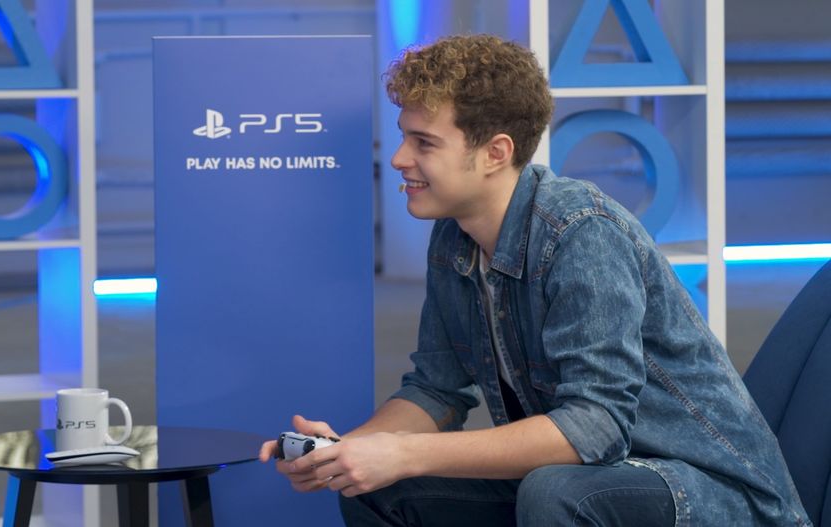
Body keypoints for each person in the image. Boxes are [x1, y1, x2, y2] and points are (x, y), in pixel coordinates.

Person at [259, 34, 810, 526]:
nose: (400, 158)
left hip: (710, 493)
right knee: (381, 490)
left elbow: (595, 426)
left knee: (556, 492)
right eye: (404, 137)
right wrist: (350, 452)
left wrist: (403, 452)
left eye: (424, 143)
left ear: (495, 153)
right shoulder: (454, 235)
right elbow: (436, 388)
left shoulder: (581, 231)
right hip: (594, 478)